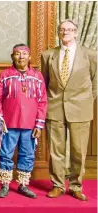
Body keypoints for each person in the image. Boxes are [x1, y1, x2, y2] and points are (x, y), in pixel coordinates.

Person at [42, 20, 97, 201]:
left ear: (76, 33)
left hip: (80, 108)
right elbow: (44, 82)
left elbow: (95, 82)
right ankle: (58, 185)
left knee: (78, 151)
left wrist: (86, 99)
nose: (66, 32)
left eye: (70, 30)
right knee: (55, 151)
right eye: (62, 30)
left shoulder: (90, 55)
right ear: (58, 33)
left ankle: (76, 186)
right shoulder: (48, 55)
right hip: (55, 108)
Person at [0, 44, 47, 199]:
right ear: (12, 57)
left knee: (27, 154)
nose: (21, 57)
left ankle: (23, 185)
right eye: (17, 54)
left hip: (30, 125)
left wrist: (39, 124)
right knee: (5, 154)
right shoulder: (5, 75)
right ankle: (5, 185)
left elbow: (43, 101)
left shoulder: (37, 76)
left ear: (29, 57)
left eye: (24, 54)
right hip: (8, 124)